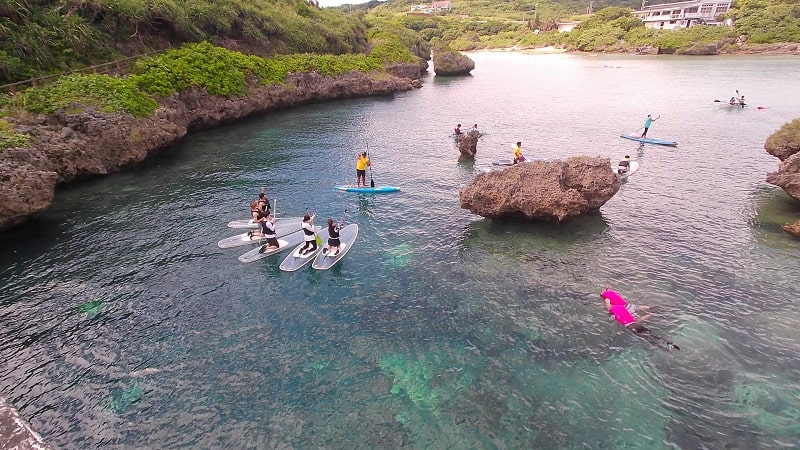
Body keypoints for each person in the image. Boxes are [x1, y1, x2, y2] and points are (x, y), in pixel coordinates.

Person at [604, 292, 679, 351]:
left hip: (632, 327)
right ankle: (669, 343)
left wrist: (608, 304)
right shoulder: (622, 308)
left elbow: (610, 310)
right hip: (636, 324)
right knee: (653, 335)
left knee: (648, 339)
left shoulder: (614, 314)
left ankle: (665, 350)